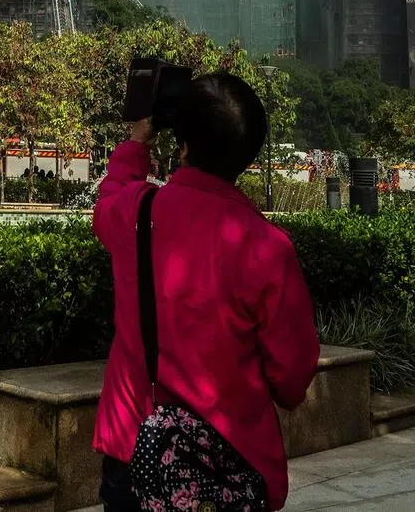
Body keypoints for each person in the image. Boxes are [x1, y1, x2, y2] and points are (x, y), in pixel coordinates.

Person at [92, 72, 320, 512]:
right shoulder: (268, 248)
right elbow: (292, 379)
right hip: (231, 463)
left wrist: (137, 141)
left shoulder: (137, 214)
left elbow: (107, 204)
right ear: (248, 157)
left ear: (182, 145)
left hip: (135, 450)